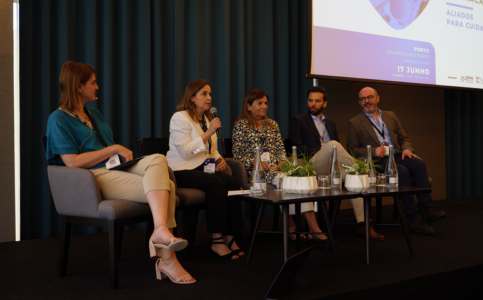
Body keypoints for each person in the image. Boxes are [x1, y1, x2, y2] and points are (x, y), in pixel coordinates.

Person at [45, 62, 195, 284]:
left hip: (114, 167)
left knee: (158, 159)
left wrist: (115, 154)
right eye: (93, 83)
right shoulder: (57, 119)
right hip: (92, 177)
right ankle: (168, 259)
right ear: (78, 87)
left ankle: (160, 231)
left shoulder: (92, 113)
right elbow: (72, 162)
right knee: (169, 187)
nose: (97, 87)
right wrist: (114, 148)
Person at [347, 87, 446, 235]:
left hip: (398, 154)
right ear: (359, 102)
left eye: (369, 97)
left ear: (377, 98)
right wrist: (373, 151)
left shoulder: (390, 115)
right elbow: (352, 149)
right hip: (377, 162)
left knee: (419, 163)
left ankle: (426, 209)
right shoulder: (355, 122)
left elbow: (403, 138)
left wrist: (407, 149)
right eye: (362, 99)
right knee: (402, 172)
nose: (366, 101)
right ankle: (414, 219)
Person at [232, 89, 328, 243]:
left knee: (298, 178)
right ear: (248, 106)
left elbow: (281, 151)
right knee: (291, 182)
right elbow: (237, 155)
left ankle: (301, 227)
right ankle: (310, 228)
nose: (264, 106)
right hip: (257, 173)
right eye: (259, 103)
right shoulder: (241, 126)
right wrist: (255, 162)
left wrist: (282, 162)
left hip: (278, 170)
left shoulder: (272, 125)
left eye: (266, 103)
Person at [290, 86, 385, 241]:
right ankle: (361, 168)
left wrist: (334, 157)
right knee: (333, 145)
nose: (313, 104)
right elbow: (298, 147)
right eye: (310, 100)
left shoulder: (331, 124)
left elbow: (339, 152)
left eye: (317, 101)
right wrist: (325, 151)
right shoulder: (299, 121)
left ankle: (363, 225)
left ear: (325, 103)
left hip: (333, 169)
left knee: (356, 178)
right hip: (313, 166)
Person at [166, 80, 245, 260]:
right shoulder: (180, 118)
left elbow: (212, 150)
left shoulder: (207, 119)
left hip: (202, 168)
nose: (209, 98)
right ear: (192, 98)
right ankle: (216, 239)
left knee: (233, 182)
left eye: (209, 94)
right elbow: (186, 152)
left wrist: (220, 160)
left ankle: (229, 235)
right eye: (204, 94)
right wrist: (209, 132)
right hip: (180, 170)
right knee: (216, 183)